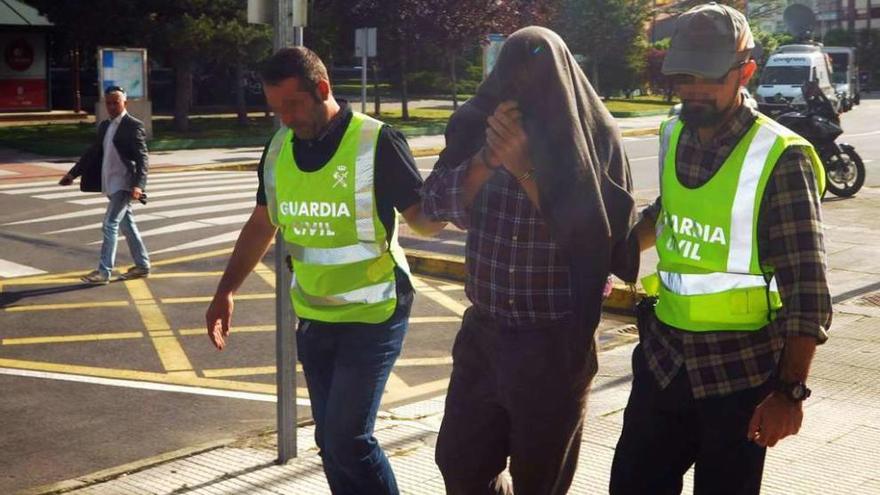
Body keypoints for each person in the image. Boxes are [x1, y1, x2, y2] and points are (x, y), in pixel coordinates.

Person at [610, 4, 832, 494]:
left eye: (708, 75)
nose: (693, 88)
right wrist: (618, 251)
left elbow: (808, 291)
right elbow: (666, 212)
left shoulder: (780, 158)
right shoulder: (673, 133)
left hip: (740, 376)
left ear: (745, 70)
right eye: (684, 74)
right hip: (663, 362)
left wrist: (789, 392)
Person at [204, 47, 445, 495]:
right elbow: (262, 224)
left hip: (375, 312)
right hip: (315, 315)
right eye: (277, 109)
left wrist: (459, 189)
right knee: (328, 440)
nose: (286, 119)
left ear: (322, 89)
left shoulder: (377, 141)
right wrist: (226, 291)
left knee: (348, 439)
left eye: (292, 105)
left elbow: (424, 221)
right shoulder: (278, 150)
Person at [422, 27, 637, 494]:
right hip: (484, 334)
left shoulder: (594, 136)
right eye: (510, 81)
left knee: (540, 481)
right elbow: (433, 206)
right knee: (460, 465)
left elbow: (598, 243)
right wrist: (487, 158)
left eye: (534, 82)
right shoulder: (476, 126)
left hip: (554, 342)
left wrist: (524, 168)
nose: (519, 94)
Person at [59, 86, 151, 284]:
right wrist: (72, 174)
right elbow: (93, 152)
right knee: (128, 226)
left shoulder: (133, 125)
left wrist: (139, 185)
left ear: (124, 103)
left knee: (109, 224)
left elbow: (142, 158)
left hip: (124, 184)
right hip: (110, 182)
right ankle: (142, 265)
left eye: (115, 102)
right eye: (108, 103)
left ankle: (103, 272)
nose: (111, 106)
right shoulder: (104, 126)